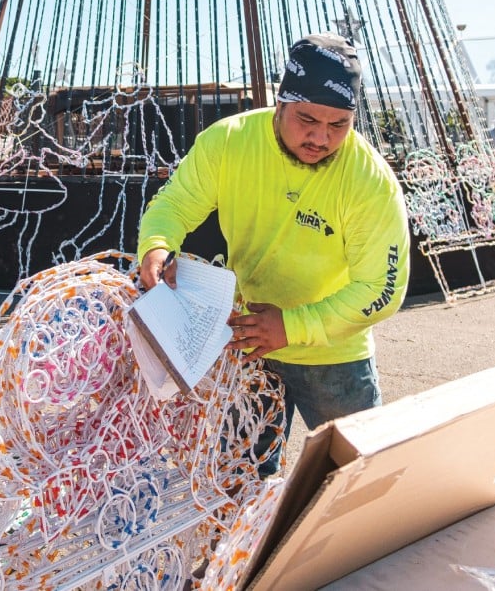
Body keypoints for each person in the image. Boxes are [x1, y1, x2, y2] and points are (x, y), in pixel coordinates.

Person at [137, 33, 410, 477]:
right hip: (249, 343)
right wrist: (156, 245)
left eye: (338, 125)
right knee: (240, 481)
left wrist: (290, 326)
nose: (321, 138)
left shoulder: (369, 180)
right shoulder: (229, 142)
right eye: (307, 119)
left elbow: (383, 288)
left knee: (356, 481)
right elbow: (174, 205)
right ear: (279, 102)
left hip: (334, 356)